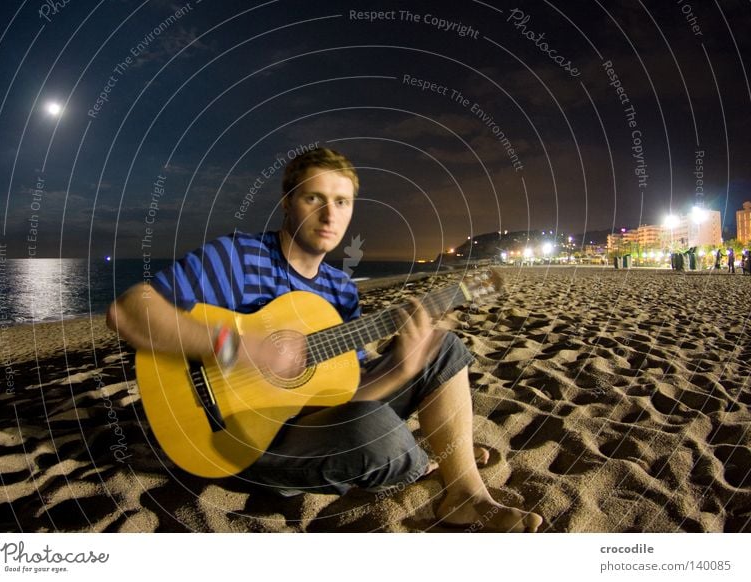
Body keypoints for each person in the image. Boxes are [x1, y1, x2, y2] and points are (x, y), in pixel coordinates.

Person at [106, 147, 542, 532]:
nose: (329, 215)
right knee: (381, 438)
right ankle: (425, 455)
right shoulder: (238, 257)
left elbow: (345, 395)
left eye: (342, 202)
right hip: (233, 435)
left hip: (313, 423)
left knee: (440, 348)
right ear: (287, 204)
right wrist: (240, 347)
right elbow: (128, 310)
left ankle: (464, 494)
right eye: (314, 198)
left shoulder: (340, 289)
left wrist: (402, 367)